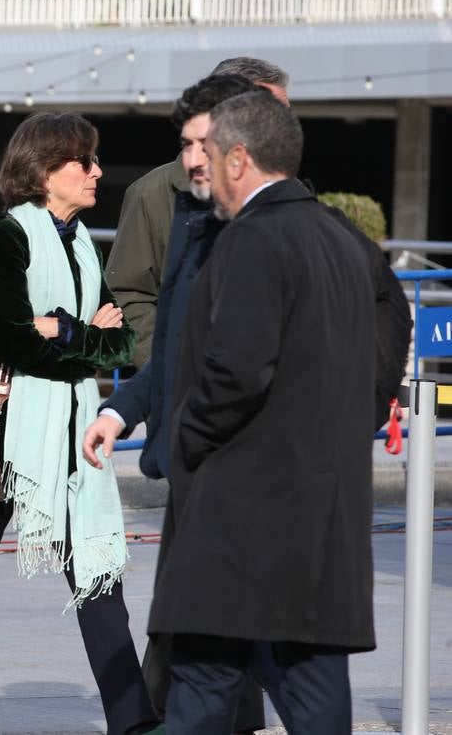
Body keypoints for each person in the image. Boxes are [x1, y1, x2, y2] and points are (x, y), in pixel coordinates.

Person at [130, 91, 376, 732]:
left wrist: (185, 438)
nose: (199, 168)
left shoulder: (252, 239)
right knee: (312, 689)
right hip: (322, 520)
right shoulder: (342, 240)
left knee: (202, 687)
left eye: (208, 153)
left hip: (242, 519)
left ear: (239, 159)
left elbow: (235, 372)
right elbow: (383, 331)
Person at [0, 112, 159, 735]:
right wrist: (79, 332)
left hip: (73, 435)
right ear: (46, 170)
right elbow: (17, 345)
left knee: (99, 580)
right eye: (86, 162)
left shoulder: (82, 240)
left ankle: (133, 722)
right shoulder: (6, 235)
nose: (98, 172)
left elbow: (122, 342)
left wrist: (60, 328)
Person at [81, 73, 269, 732]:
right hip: (183, 416)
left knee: (226, 594)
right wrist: (159, 381)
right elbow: (130, 292)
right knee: (193, 586)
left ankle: (209, 708)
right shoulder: (156, 196)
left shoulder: (270, 204)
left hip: (252, 435)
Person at [104, 57, 289, 368]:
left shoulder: (288, 195)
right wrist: (168, 365)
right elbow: (127, 295)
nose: (282, 128)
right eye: (269, 113)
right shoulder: (152, 194)